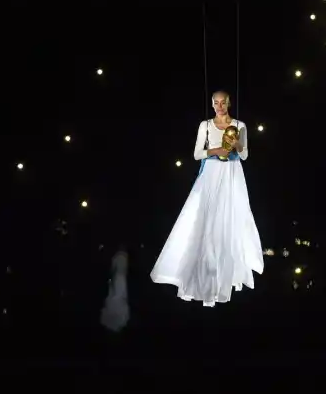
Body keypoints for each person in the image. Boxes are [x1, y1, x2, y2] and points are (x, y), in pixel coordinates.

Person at [150, 90, 264, 307]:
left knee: (231, 220)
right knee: (206, 220)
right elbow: (196, 154)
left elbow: (245, 155)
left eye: (223, 103)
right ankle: (202, 274)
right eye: (216, 103)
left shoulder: (240, 125)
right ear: (212, 105)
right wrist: (216, 150)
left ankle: (226, 273)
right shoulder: (205, 125)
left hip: (232, 173)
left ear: (229, 103)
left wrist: (236, 143)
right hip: (212, 171)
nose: (219, 106)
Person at [100, 245, 130, 332]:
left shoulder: (117, 256)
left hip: (117, 277)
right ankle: (118, 320)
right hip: (122, 278)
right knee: (120, 295)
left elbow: (113, 268)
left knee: (115, 293)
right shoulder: (125, 256)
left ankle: (115, 320)